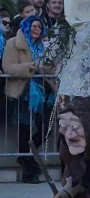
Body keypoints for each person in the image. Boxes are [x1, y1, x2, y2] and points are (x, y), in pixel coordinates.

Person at [2, 15, 55, 183]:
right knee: (24, 130)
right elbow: (7, 67)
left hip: (42, 92)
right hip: (23, 92)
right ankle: (28, 171)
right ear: (26, 27)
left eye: (39, 26)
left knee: (47, 127)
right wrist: (28, 67)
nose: (37, 29)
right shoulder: (13, 43)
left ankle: (26, 157)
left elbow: (51, 68)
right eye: (34, 26)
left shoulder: (42, 45)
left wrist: (46, 62)